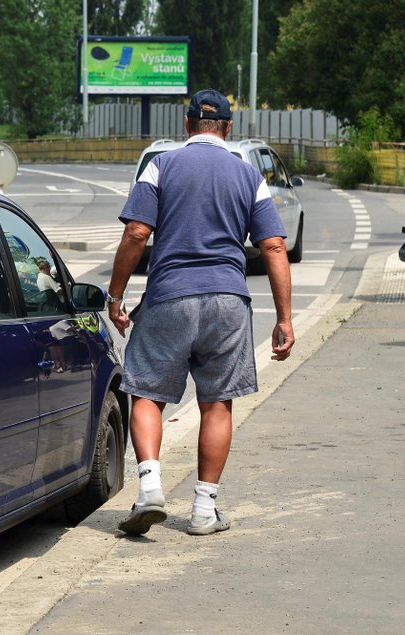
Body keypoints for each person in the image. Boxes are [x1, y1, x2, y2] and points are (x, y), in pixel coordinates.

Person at [107, 88, 295, 537]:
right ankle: (204, 511)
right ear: (228, 129)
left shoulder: (162, 164)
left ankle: (150, 485)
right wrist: (284, 318)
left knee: (147, 392)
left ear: (187, 124)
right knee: (216, 402)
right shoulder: (248, 175)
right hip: (228, 303)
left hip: (170, 296)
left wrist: (116, 296)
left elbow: (137, 233)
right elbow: (272, 245)